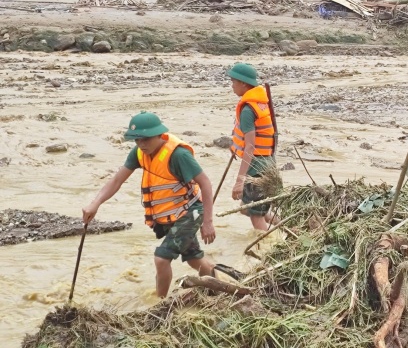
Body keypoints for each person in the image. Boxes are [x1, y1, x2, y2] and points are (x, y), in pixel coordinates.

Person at [82, 111, 216, 298]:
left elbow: (205, 183)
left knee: (161, 259)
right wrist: (95, 204)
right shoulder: (139, 153)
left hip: (189, 212)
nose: (141, 144)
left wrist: (208, 221)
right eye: (137, 140)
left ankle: (159, 306)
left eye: (145, 139)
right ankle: (215, 289)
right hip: (171, 216)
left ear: (159, 135)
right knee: (194, 259)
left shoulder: (179, 155)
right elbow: (116, 181)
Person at [227, 63, 281, 231]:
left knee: (256, 217)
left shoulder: (248, 110)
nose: (232, 86)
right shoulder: (261, 103)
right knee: (251, 209)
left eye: (234, 82)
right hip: (268, 164)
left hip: (256, 169)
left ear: (244, 83)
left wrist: (240, 181)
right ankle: (290, 230)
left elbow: (250, 147)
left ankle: (265, 251)